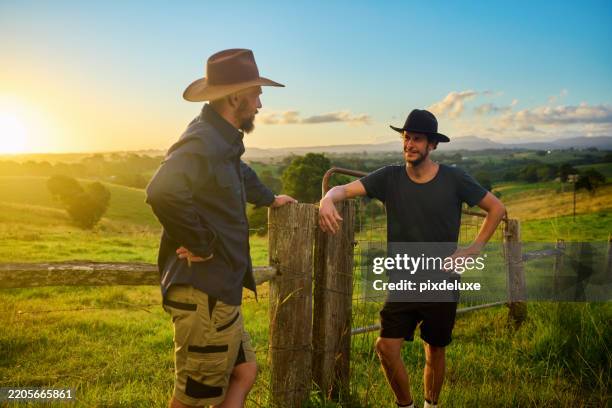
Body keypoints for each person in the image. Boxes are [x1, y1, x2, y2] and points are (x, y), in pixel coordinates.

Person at [318, 109, 506, 408]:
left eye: (417, 139)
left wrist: (473, 249)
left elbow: (496, 208)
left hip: (443, 281)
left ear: (432, 145)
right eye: (406, 138)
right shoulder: (389, 177)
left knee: (435, 350)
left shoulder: (455, 179)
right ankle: (406, 406)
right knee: (386, 348)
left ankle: (431, 404)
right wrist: (327, 198)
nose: (409, 145)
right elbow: (343, 189)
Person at [146, 49, 296, 408]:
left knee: (244, 373)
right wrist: (201, 242)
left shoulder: (223, 141)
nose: (260, 103)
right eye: (256, 93)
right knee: (195, 399)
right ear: (235, 97)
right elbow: (162, 189)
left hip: (219, 291)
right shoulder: (204, 140)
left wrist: (270, 198)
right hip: (205, 294)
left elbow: (237, 173)